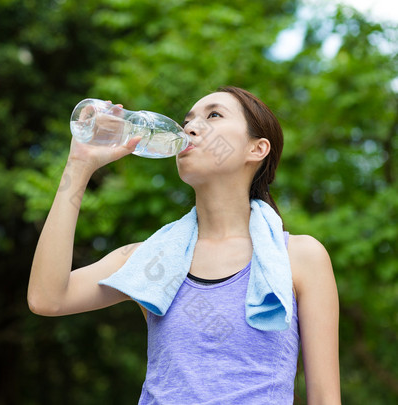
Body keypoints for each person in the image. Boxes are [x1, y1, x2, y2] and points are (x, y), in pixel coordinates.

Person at [27, 86, 341, 404]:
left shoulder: (300, 257)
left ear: (257, 149)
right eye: (188, 119)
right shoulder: (150, 259)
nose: (189, 127)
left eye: (214, 115)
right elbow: (47, 298)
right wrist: (79, 165)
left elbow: (325, 397)